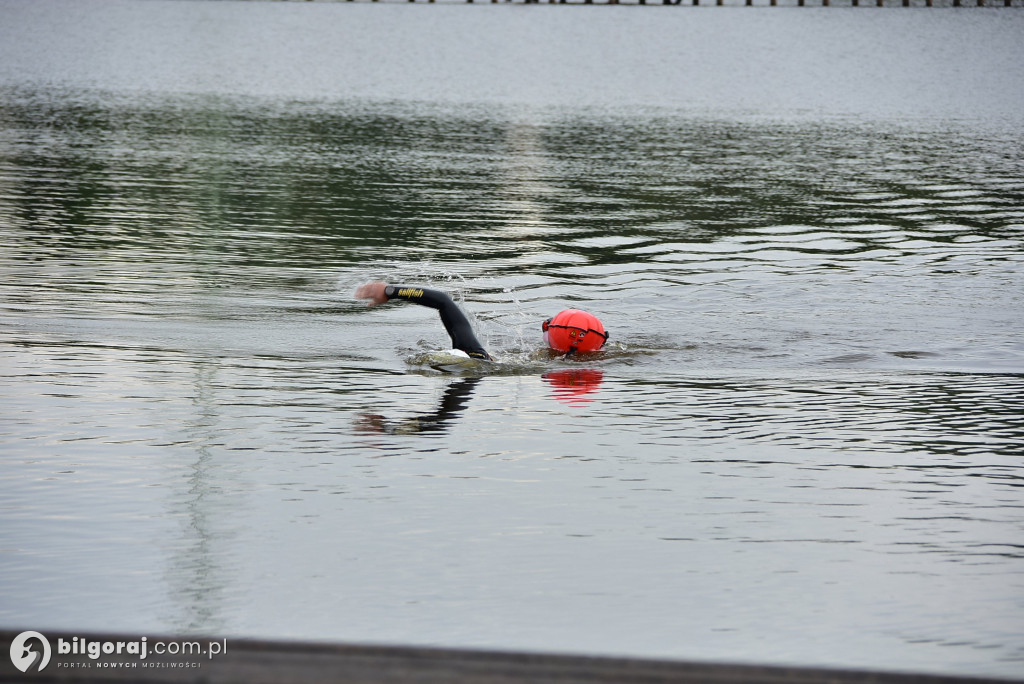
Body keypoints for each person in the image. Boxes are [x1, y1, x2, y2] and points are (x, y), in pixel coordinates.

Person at [354, 281, 608, 358]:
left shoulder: (478, 358)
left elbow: (443, 301)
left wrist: (391, 291)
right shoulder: (482, 358)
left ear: (550, 331)